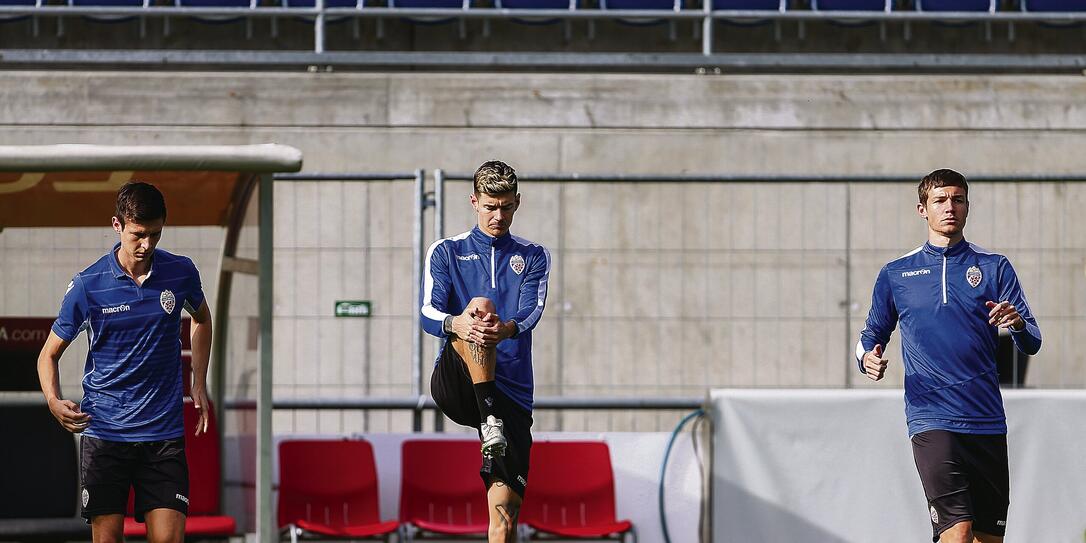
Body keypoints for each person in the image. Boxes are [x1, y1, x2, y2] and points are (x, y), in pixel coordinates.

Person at [856, 169, 1041, 543]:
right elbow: (869, 338)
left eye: (957, 199)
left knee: (988, 539)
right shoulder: (897, 273)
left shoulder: (994, 267)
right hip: (931, 418)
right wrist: (867, 360)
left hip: (986, 421)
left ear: (968, 207)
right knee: (957, 533)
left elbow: (1032, 341)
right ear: (922, 209)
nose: (949, 207)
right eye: (940, 200)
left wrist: (1017, 323)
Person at [37, 181, 213, 543]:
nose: (147, 244)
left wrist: (198, 379)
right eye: (139, 234)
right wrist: (53, 402)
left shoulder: (180, 273)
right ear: (118, 226)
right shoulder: (88, 285)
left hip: (163, 436)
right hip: (106, 435)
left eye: (155, 234)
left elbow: (201, 318)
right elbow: (48, 355)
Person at [420, 160, 551, 543]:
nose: (498, 215)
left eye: (507, 206)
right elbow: (428, 314)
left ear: (517, 203)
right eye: (491, 206)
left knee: (504, 516)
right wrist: (457, 323)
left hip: (511, 391)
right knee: (480, 307)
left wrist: (505, 331)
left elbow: (532, 311)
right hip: (458, 382)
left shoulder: (534, 256)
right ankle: (488, 416)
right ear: (474, 202)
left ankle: (494, 418)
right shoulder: (446, 251)